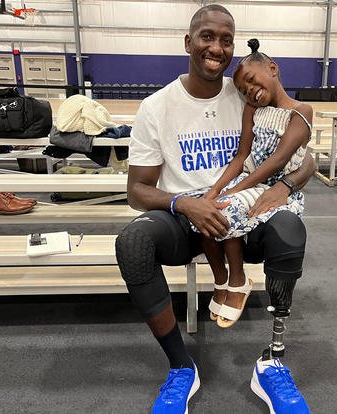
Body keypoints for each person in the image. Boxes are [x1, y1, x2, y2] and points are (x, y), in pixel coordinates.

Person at [115, 4, 314, 414]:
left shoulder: (246, 92)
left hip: (248, 211)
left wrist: (287, 186)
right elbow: (136, 190)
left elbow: (303, 157)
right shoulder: (157, 107)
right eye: (207, 36)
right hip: (185, 218)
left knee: (291, 230)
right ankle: (180, 367)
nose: (217, 47)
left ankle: (272, 362)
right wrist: (184, 203)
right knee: (133, 242)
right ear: (188, 42)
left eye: (226, 39)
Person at [199, 38, 313, 329]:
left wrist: (234, 191)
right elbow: (241, 155)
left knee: (222, 210)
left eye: (250, 80)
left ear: (272, 68)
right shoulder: (253, 108)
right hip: (247, 180)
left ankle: (238, 279)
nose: (248, 89)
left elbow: (276, 161)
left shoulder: (301, 111)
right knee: (201, 207)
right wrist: (214, 191)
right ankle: (221, 279)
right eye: (242, 88)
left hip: (272, 186)